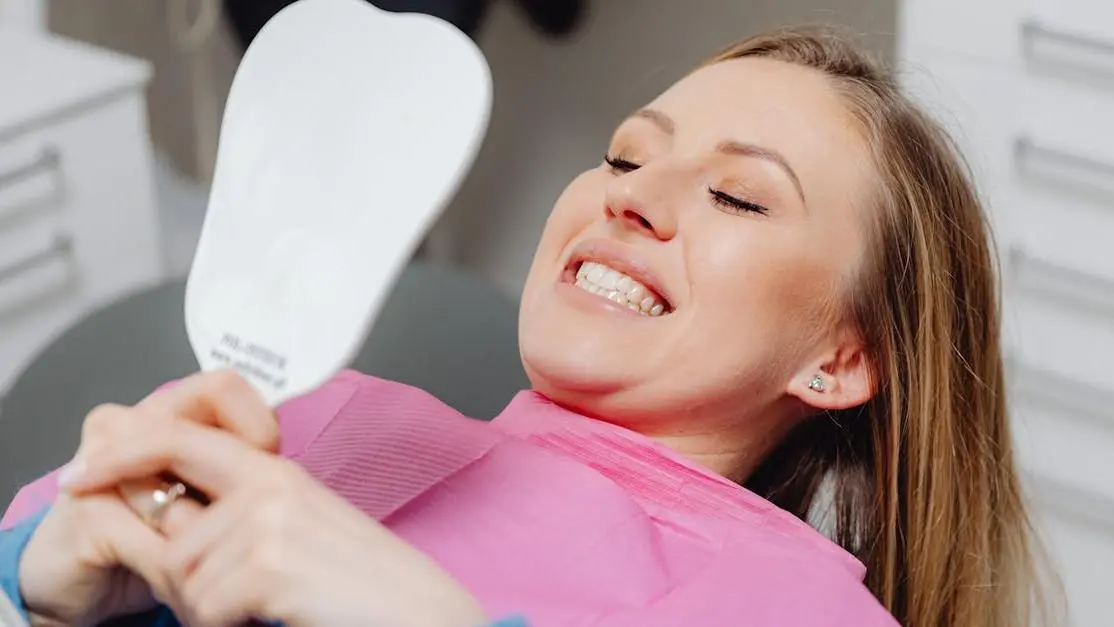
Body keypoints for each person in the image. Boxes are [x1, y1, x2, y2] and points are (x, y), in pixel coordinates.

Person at [0, 26, 1050, 627]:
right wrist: (40, 581)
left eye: (738, 198)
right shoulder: (309, 416)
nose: (627, 197)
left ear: (840, 357)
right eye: (627, 155)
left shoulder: (791, 605)